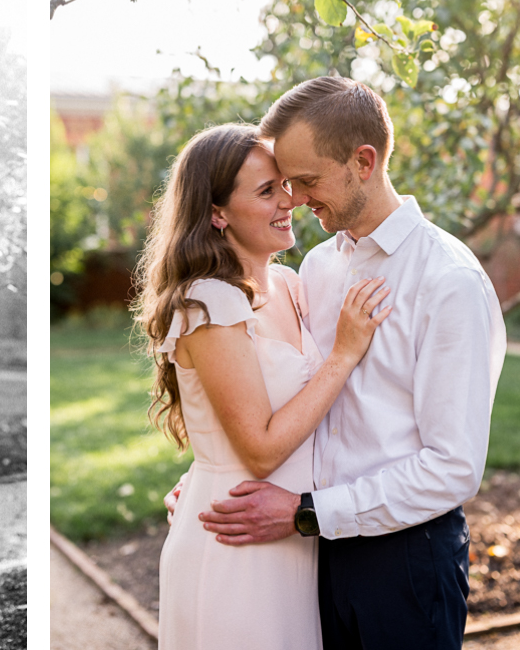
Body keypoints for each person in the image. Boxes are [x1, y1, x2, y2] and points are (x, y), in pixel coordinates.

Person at [173, 77, 507, 650]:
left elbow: (454, 467)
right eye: (284, 185)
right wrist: (216, 474)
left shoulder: (447, 281)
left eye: (305, 181)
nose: (296, 200)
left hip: (401, 560)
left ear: (364, 160)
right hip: (311, 555)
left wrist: (308, 514)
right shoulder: (319, 267)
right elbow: (294, 397)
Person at [133, 122, 392, 649]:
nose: (289, 201)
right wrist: (343, 353)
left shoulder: (292, 286)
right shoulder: (209, 301)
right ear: (216, 213)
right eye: (267, 190)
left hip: (292, 532)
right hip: (239, 538)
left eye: (288, 185)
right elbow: (259, 451)